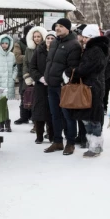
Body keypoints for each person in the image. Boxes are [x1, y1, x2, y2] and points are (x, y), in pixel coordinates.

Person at [42, 18, 81, 155]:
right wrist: (47, 77)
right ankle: (58, 141)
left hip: (64, 87)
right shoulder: (54, 43)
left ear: (68, 29)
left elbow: (73, 68)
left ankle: (70, 143)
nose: (57, 28)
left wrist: (63, 81)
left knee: (68, 116)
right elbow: (49, 62)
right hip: (51, 85)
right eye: (57, 26)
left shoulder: (74, 44)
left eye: (61, 26)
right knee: (55, 115)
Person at [71, 24, 109, 157]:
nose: (83, 39)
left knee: (92, 118)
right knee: (88, 117)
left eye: (86, 37)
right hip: (91, 86)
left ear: (92, 37)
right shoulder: (94, 48)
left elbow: (88, 67)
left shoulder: (95, 50)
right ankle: (92, 144)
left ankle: (96, 147)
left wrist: (73, 72)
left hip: (93, 87)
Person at [29, 31, 56, 144]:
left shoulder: (58, 51)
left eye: (52, 38)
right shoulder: (39, 50)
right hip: (40, 86)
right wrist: (39, 78)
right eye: (48, 38)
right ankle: (39, 135)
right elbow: (32, 67)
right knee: (39, 111)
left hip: (53, 85)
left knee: (52, 111)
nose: (50, 40)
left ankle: (52, 135)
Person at [0, 34, 18, 132]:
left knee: (5, 105)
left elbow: (15, 68)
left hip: (8, 84)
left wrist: (13, 78)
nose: (5, 45)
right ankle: (1, 123)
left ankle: (6, 122)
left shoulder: (12, 55)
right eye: (3, 43)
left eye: (6, 43)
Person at [23, 26, 46, 134]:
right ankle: (36, 124)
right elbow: (26, 64)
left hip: (43, 78)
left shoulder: (46, 48)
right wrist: (27, 77)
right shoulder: (29, 49)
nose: (37, 38)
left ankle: (46, 126)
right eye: (35, 37)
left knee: (44, 104)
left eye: (38, 36)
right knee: (34, 103)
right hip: (31, 79)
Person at [13, 25, 34, 125]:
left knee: (36, 95)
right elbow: (17, 57)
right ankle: (24, 116)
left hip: (36, 73)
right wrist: (30, 56)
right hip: (23, 73)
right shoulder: (20, 43)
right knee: (24, 94)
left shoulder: (37, 41)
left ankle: (34, 116)